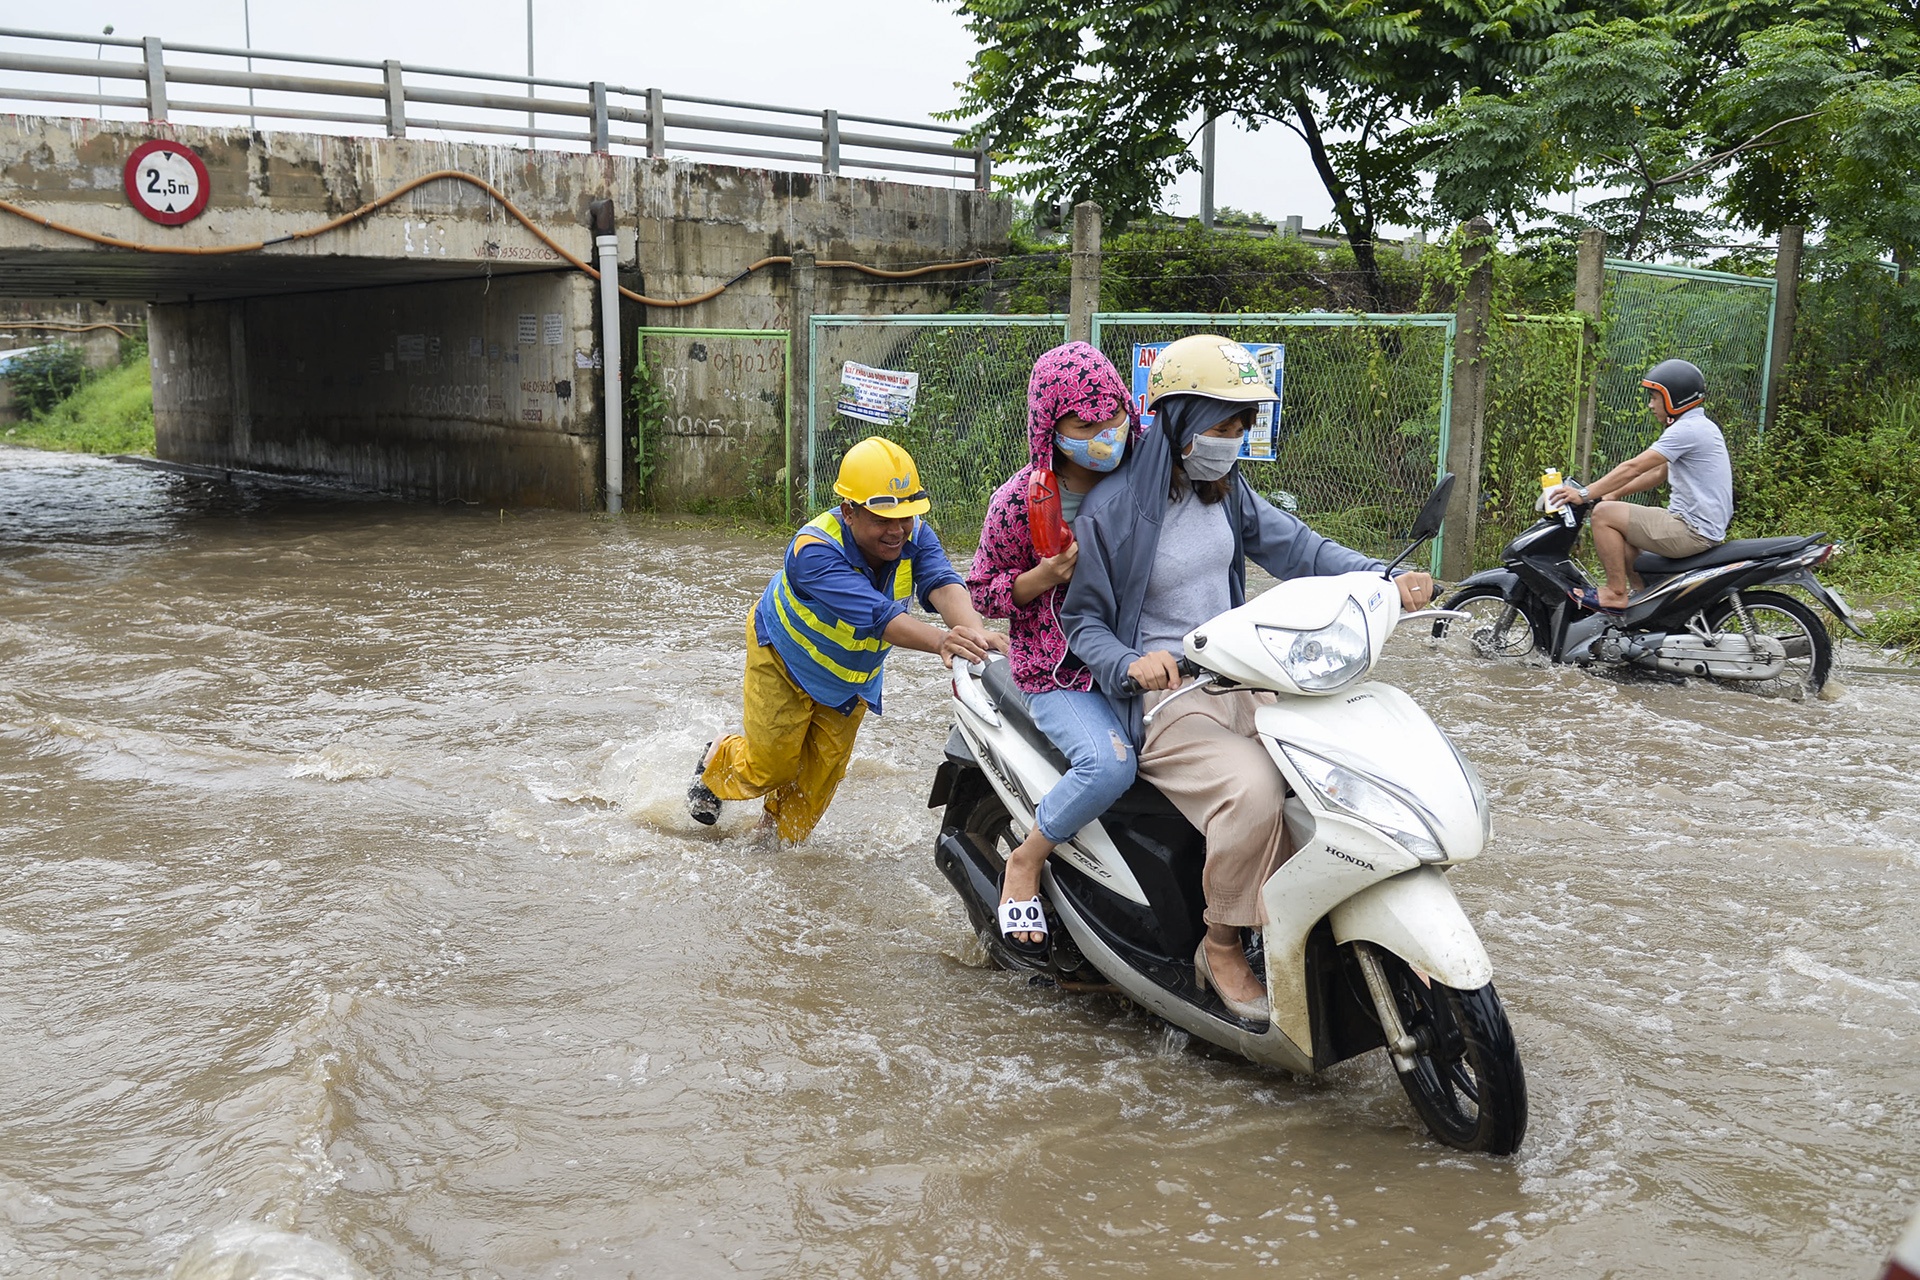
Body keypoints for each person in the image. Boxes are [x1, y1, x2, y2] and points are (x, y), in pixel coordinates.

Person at [1060, 335, 1434, 1020]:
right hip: (1170, 699)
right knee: (1255, 792)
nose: (1232, 439)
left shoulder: (1223, 490)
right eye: (1221, 423)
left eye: (1241, 426)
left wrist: (1382, 577)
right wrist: (1129, 664)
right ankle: (1222, 943)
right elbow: (1083, 623)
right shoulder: (1112, 511)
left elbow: (1298, 548)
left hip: (1247, 677)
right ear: (1178, 418)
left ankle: (1343, 922)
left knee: (1336, 773)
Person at [689, 436, 1006, 842]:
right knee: (771, 767)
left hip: (848, 679)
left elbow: (943, 582)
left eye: (905, 518)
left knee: (808, 801)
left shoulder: (915, 535)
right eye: (882, 520)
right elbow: (878, 615)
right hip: (785, 659)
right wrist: (943, 642)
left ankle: (767, 839)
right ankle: (718, 758)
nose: (897, 531)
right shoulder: (812, 552)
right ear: (849, 511)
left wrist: (975, 635)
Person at [966, 342, 1143, 956]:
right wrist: (1041, 578)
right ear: (1051, 427)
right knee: (1111, 765)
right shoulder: (1019, 502)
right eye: (1085, 426)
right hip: (1057, 671)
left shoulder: (1144, 477)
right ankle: (1026, 858)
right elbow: (982, 591)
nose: (1105, 436)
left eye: (1113, 418)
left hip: (1137, 659)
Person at [1547, 358, 1732, 612]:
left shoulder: (1686, 430)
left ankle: (1615, 593)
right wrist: (1613, 493)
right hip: (1696, 523)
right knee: (1617, 518)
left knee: (1602, 516)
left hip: (1691, 530)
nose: (1650, 404)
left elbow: (1634, 467)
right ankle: (1644, 597)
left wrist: (1584, 494)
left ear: (1674, 398)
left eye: (1655, 397)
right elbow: (1658, 473)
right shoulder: (1699, 426)